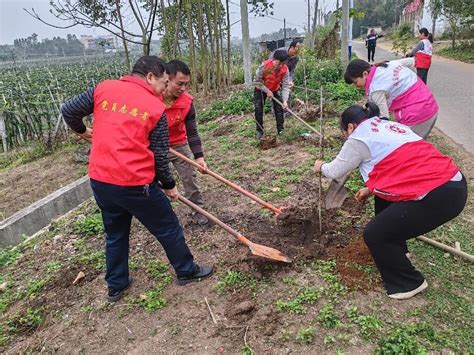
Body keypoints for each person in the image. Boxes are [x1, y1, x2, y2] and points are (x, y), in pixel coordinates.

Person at [61, 56, 213, 303]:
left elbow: (69, 110)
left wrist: (82, 131)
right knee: (167, 226)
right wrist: (169, 185)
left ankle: (116, 285)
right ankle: (187, 270)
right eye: (164, 83)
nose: (164, 89)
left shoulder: (104, 88)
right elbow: (160, 157)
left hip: (100, 180)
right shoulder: (155, 108)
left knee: (116, 233)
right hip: (134, 183)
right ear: (150, 77)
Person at [314, 103, 467, 300]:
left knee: (374, 234)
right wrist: (371, 189)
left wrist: (320, 166)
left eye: (344, 132)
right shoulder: (391, 126)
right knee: (383, 200)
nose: (345, 137)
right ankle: (398, 251)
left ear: (350, 127)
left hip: (438, 194)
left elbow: (334, 171)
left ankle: (409, 282)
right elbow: (403, 161)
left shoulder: (358, 137)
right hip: (453, 183)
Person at [162, 60, 208, 225]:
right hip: (156, 147)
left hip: (179, 144)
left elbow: (192, 131)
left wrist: (199, 156)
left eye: (186, 84)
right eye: (179, 84)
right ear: (167, 78)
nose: (183, 89)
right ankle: (165, 218)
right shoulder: (151, 98)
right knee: (159, 184)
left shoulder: (187, 101)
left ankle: (198, 210)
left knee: (190, 178)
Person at [344, 59, 438, 138]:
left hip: (417, 116)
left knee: (407, 149)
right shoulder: (388, 64)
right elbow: (412, 61)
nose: (356, 86)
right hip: (431, 105)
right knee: (418, 145)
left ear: (365, 74)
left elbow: (384, 118)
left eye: (355, 82)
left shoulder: (376, 89)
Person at [255, 49, 290, 139]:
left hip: (275, 88)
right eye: (279, 63)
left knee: (279, 109)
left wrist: (285, 100)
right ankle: (259, 130)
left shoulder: (285, 69)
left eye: (283, 63)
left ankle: (280, 130)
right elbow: (257, 82)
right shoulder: (265, 66)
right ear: (274, 59)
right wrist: (267, 91)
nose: (280, 66)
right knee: (259, 109)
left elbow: (286, 85)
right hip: (261, 89)